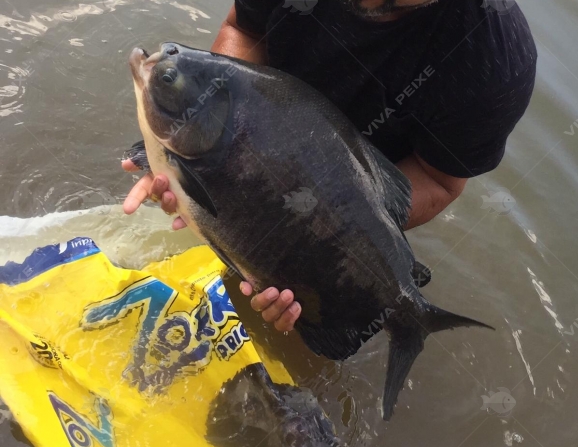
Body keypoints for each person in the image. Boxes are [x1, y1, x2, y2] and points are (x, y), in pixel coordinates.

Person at [122, 0, 537, 332]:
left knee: (281, 331)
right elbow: (244, 28)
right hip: (254, 136)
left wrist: (323, 240)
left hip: (359, 195)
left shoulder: (499, 59)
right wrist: (197, 135)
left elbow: (438, 181)